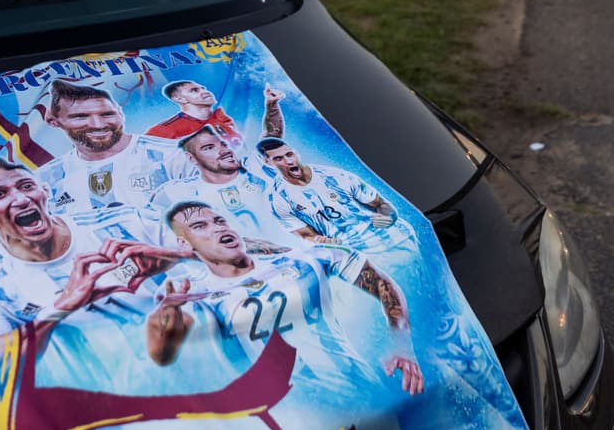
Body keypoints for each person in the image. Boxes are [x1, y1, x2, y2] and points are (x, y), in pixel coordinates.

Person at [0, 158, 184, 396]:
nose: (21, 199)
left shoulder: (123, 223)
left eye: (27, 186)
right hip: (114, 407)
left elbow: (214, 246)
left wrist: (173, 256)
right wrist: (59, 309)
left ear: (45, 191)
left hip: (193, 367)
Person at [148, 203, 423, 402]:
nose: (218, 228)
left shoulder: (303, 259)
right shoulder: (191, 291)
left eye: (220, 220)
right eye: (200, 226)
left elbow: (380, 281)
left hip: (362, 397)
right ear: (185, 244)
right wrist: (165, 318)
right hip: (290, 416)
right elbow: (162, 355)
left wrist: (401, 342)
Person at [256, 137, 418, 262]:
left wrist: (390, 217)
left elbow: (381, 204)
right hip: (360, 256)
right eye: (279, 159)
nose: (289, 161)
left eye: (289, 154)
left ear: (296, 152)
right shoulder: (277, 199)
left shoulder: (336, 176)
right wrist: (325, 241)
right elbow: (306, 236)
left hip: (398, 240)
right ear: (267, 162)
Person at [38, 81, 190, 213]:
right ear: (53, 121)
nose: (98, 125)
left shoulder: (174, 155)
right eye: (80, 117)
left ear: (121, 115)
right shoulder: (43, 180)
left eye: (107, 114)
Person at [149, 125, 290, 241]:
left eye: (223, 144)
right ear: (191, 158)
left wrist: (272, 105)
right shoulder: (178, 191)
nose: (224, 151)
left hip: (294, 254)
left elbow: (272, 135)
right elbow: (149, 226)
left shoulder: (255, 169)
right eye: (209, 148)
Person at [144, 79, 284, 143]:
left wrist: (272, 105)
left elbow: (271, 139)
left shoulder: (222, 118)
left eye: (203, 88)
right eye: (194, 90)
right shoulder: (162, 131)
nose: (205, 92)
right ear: (180, 98)